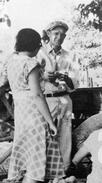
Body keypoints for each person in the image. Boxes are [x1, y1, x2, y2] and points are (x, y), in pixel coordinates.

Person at [0, 28, 65, 183]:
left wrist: (10, 104)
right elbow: (37, 95)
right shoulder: (31, 63)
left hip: (21, 114)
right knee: (37, 162)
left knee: (32, 160)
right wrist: (50, 123)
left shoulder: (11, 61)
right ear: (34, 44)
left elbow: (4, 85)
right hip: (34, 115)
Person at [36, 20, 79, 172]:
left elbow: (75, 84)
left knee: (65, 134)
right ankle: (43, 172)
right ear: (48, 34)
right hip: (46, 100)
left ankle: (64, 170)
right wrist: (44, 76)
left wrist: (65, 77)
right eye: (56, 34)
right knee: (45, 134)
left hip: (64, 99)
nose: (59, 37)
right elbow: (31, 79)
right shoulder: (39, 53)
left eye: (62, 35)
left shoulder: (70, 56)